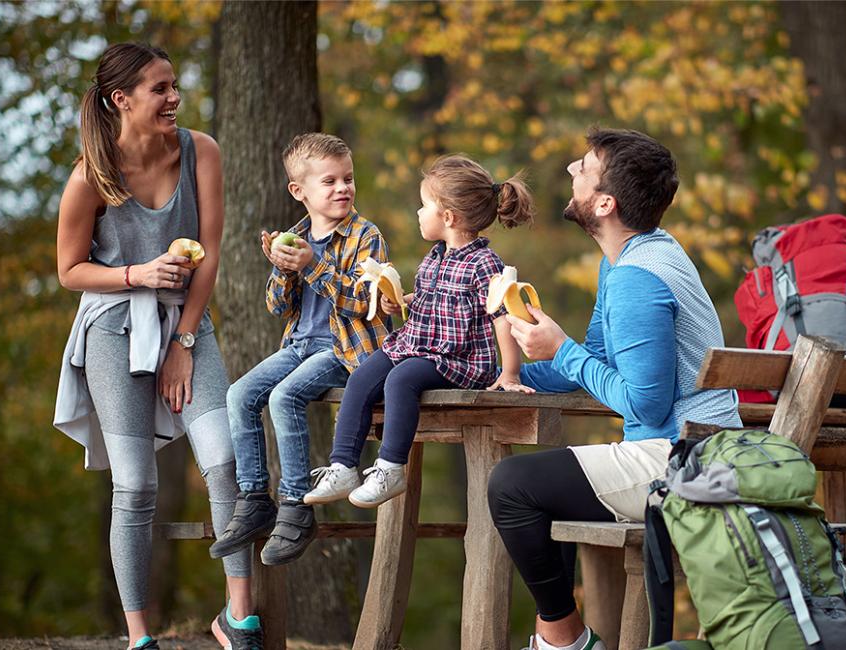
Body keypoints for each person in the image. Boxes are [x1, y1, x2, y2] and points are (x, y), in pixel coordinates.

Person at [488, 128, 742, 650]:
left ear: (604, 202)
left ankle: (565, 643)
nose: (570, 172)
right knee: (541, 486)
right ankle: (563, 641)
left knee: (512, 485)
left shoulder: (636, 279)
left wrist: (560, 349)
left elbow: (644, 402)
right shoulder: (635, 256)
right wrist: (504, 376)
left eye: (582, 167)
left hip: (682, 458)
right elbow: (599, 361)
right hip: (688, 446)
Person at [52, 43, 261, 650]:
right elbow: (68, 271)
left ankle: (238, 617)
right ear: (122, 99)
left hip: (187, 325)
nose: (174, 98)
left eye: (175, 86)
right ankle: (140, 637)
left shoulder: (202, 151)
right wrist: (136, 274)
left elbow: (211, 250)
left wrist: (186, 341)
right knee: (136, 485)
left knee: (226, 462)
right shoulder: (91, 174)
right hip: (113, 329)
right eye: (160, 88)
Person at [303, 154, 536, 509]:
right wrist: (402, 302)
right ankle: (343, 465)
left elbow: (502, 315)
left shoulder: (483, 263)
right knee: (363, 376)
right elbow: (434, 300)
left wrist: (509, 372)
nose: (418, 212)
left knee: (401, 380)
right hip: (417, 343)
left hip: (458, 358)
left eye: (424, 205)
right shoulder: (435, 256)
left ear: (448, 217)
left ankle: (390, 467)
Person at [207, 133, 391, 566]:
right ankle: (254, 498)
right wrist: (282, 268)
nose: (342, 188)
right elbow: (277, 307)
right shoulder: (294, 236)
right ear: (299, 191)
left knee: (284, 396)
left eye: (347, 178)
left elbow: (365, 304)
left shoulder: (366, 236)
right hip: (300, 345)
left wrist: (313, 264)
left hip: (348, 350)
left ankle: (295, 504)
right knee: (239, 395)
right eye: (329, 181)